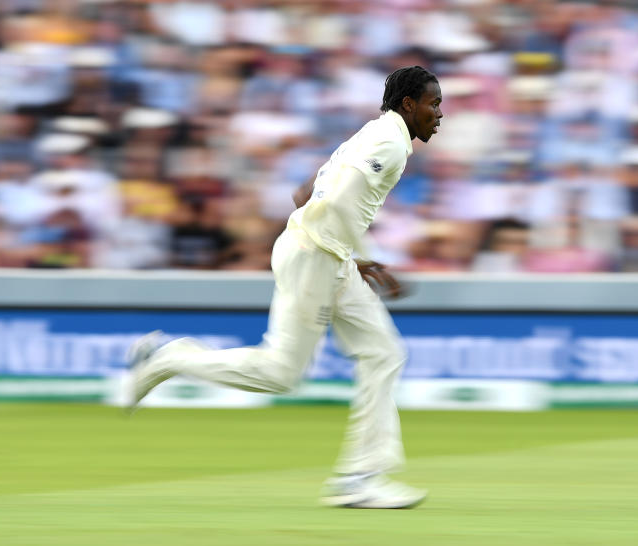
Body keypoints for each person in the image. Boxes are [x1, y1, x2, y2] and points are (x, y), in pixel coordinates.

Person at [126, 66, 443, 509]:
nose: (438, 114)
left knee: (383, 353)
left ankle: (361, 477)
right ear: (409, 104)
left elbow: (305, 192)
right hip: (316, 256)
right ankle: (167, 359)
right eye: (433, 104)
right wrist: (366, 255)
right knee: (280, 373)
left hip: (328, 254)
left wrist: (348, 249)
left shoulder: (375, 133)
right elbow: (334, 199)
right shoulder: (389, 142)